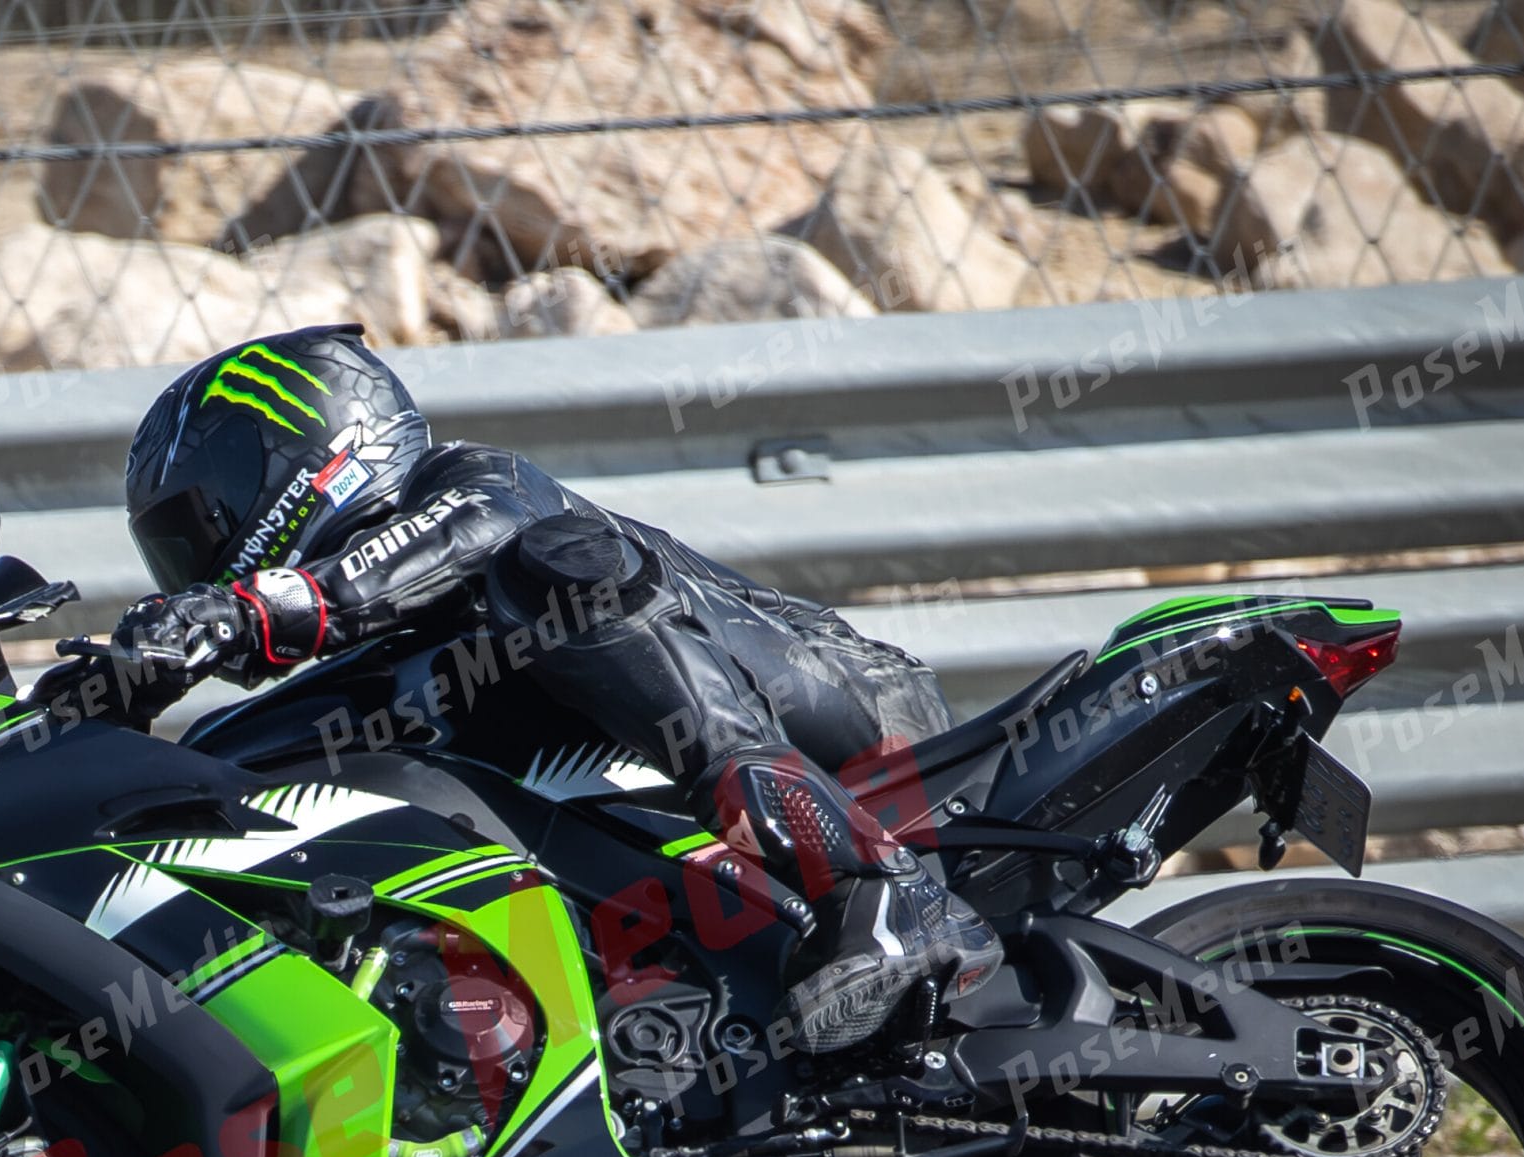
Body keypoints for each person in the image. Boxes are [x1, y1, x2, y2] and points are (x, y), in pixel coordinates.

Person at [113, 325, 998, 1053]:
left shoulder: (475, 488)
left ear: (300, 457)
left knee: (550, 573)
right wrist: (114, 713)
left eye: (195, 529)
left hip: (848, 710)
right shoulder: (393, 634)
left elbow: (464, 538)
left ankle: (875, 888)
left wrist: (252, 608)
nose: (193, 567)